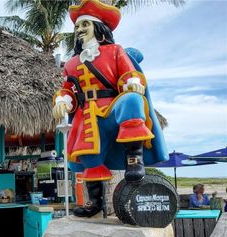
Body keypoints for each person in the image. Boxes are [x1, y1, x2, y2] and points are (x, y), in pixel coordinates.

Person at [52, 0, 168, 217]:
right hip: (88, 114)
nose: (79, 30)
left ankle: (134, 159)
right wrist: (62, 100)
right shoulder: (70, 64)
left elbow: (129, 73)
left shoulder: (115, 51)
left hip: (113, 106)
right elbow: (68, 90)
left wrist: (132, 81)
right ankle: (94, 202)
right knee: (89, 156)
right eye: (77, 26)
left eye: (84, 24)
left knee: (132, 101)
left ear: (98, 27)